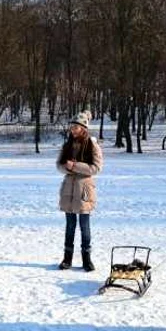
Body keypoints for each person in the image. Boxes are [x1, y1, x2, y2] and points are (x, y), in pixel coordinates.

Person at [56, 110, 103, 272]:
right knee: (70, 226)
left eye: (76, 127)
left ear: (83, 128)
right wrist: (67, 167)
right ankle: (67, 259)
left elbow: (96, 168)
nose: (72, 130)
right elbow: (59, 165)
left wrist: (75, 166)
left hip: (84, 190)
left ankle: (86, 259)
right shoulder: (67, 145)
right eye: (72, 127)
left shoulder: (92, 144)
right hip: (69, 189)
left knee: (84, 226)